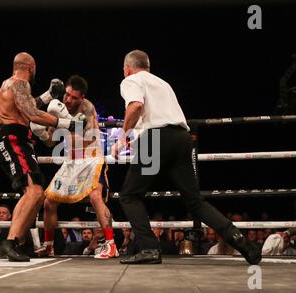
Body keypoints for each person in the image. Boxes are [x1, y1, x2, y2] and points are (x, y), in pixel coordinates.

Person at [111, 49, 261, 264]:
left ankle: (149, 249)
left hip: (155, 139)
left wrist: (122, 137)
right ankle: (241, 240)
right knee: (195, 201)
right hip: (182, 139)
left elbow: (135, 105)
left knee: (129, 196)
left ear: (127, 68)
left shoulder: (131, 80)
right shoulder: (163, 83)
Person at [0, 52, 83, 261]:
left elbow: (26, 106)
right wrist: (68, 124)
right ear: (32, 68)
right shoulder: (20, 83)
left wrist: (49, 95)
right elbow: (32, 114)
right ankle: (11, 241)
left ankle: (16, 242)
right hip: (13, 139)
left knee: (35, 193)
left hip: (17, 139)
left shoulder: (11, 85)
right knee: (33, 192)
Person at [32, 75, 119, 259]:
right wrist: (41, 133)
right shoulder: (59, 109)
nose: (69, 99)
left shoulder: (87, 108)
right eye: (67, 95)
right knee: (48, 201)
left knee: (95, 196)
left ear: (82, 98)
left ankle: (112, 245)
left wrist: (63, 120)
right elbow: (50, 142)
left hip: (91, 159)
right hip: (71, 161)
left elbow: (87, 139)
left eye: (74, 97)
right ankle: (49, 246)